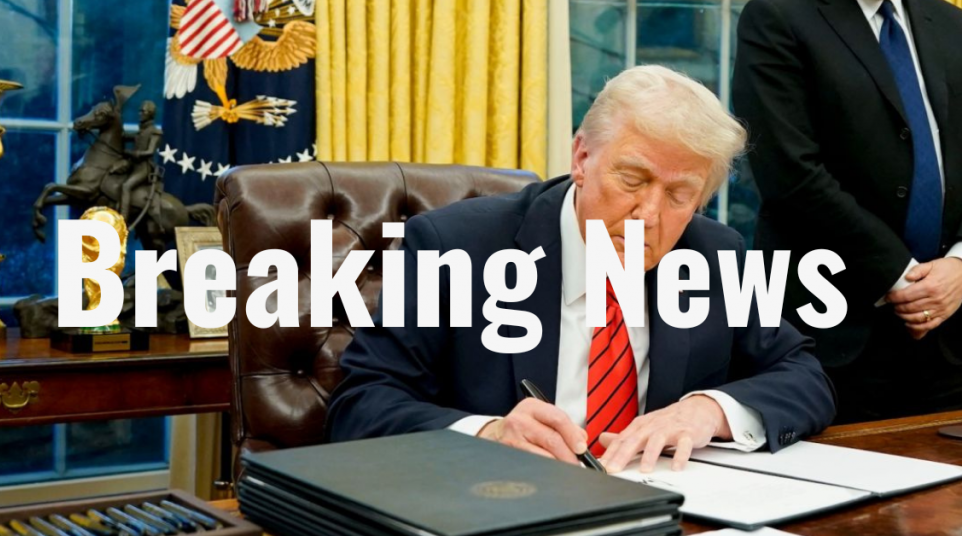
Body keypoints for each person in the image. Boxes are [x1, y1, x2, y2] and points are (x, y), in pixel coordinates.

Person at [326, 66, 836, 472]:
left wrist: (708, 410)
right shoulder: (457, 246)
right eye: (633, 179)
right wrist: (488, 434)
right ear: (582, 156)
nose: (650, 215)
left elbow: (804, 376)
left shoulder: (711, 255)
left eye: (681, 194)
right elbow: (361, 403)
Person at [733, 0, 962, 422]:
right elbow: (789, 173)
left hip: (947, 331)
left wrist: (959, 264)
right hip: (830, 333)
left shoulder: (950, 22)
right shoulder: (777, 16)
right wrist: (901, 275)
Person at [114, 101, 163, 221]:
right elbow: (124, 136)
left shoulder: (155, 132)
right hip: (133, 165)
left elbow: (150, 152)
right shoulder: (140, 131)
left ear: (150, 114)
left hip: (144, 167)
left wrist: (133, 153)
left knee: (126, 186)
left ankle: (123, 218)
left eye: (143, 111)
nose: (140, 114)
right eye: (140, 111)